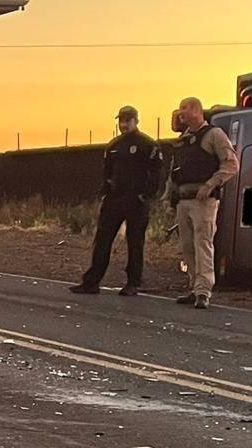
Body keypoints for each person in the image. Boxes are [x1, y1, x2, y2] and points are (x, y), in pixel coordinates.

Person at [69, 105, 164, 296]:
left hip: (136, 200)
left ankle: (133, 282)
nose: (123, 124)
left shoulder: (148, 145)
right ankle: (91, 281)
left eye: (127, 120)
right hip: (115, 199)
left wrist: (145, 195)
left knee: (135, 242)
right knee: (103, 239)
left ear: (136, 121)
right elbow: (107, 171)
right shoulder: (113, 146)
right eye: (121, 121)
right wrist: (106, 190)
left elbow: (157, 174)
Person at [169, 97, 238, 309]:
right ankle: (193, 286)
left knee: (203, 244)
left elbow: (231, 163)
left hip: (203, 200)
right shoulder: (184, 139)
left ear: (197, 110)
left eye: (184, 108)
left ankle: (203, 290)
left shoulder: (214, 135)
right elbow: (174, 171)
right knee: (188, 246)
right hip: (184, 199)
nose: (180, 112)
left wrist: (210, 184)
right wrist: (170, 196)